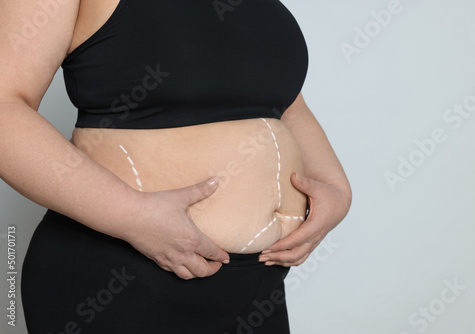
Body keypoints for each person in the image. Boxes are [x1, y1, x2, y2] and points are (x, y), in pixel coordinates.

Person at [0, 0, 352, 333]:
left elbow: (284, 102)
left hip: (259, 287)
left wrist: (336, 189)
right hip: (121, 281)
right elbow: (5, 110)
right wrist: (133, 215)